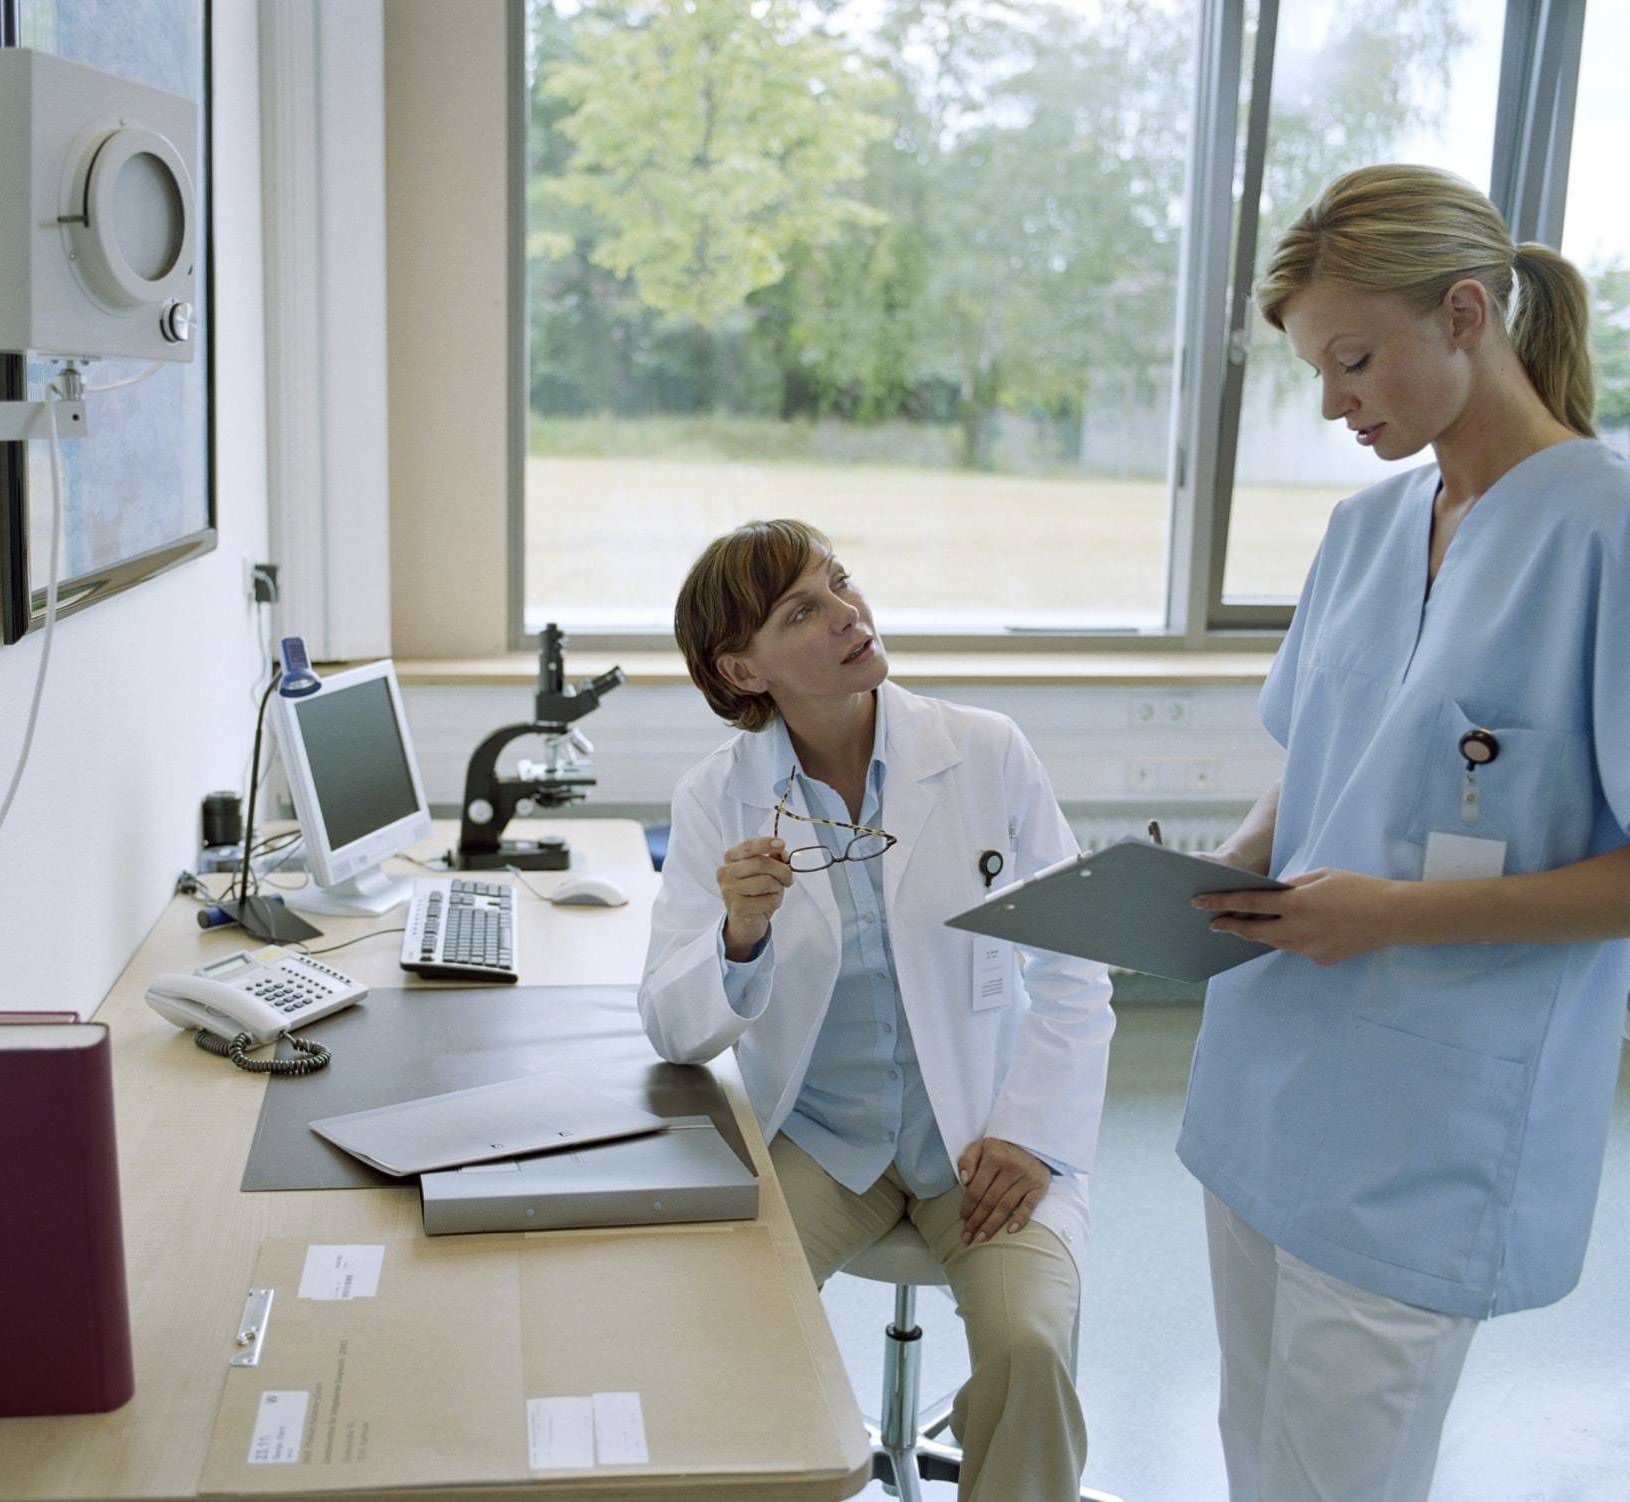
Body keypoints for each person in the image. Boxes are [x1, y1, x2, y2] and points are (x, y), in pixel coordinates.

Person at [1181, 164, 1630, 1502]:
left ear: (1468, 316)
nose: (1335, 403)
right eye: (1319, 371)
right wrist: (1232, 861)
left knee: (1340, 1481)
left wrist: (1395, 915)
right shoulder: (1366, 528)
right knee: (1257, 1451)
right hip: (1266, 1080)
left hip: (1430, 1123)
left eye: (1357, 359)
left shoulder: (1605, 531)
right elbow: (1322, 763)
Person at [639, 519, 1115, 1502]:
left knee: (1028, 1346)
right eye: (801, 611)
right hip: (820, 1136)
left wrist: (1030, 1134)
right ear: (742, 667)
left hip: (983, 1137)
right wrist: (736, 933)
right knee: (721, 1330)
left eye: (839, 585)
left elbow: (1072, 967)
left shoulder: (983, 752)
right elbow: (670, 1026)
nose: (847, 614)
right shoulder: (716, 800)